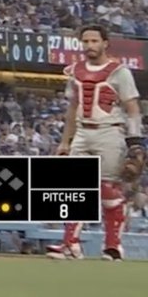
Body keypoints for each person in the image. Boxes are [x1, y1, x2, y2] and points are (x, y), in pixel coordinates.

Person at [47, 24, 143, 261]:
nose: (89, 45)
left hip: (110, 132)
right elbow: (72, 108)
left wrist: (135, 142)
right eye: (86, 41)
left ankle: (113, 246)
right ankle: (70, 244)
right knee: (75, 189)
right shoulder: (75, 71)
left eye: (94, 41)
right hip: (82, 131)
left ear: (105, 43)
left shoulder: (119, 71)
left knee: (109, 190)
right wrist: (64, 142)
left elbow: (132, 108)